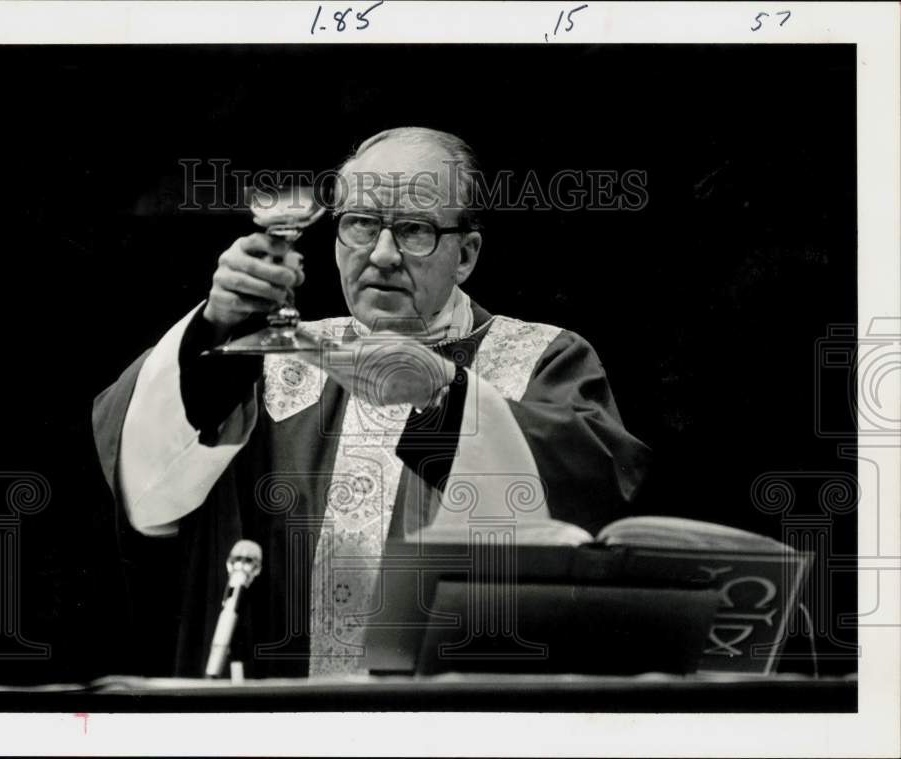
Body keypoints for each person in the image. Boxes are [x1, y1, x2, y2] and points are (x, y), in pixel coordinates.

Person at [93, 127, 650, 679]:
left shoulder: (540, 359)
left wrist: (445, 397)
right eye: (361, 224)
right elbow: (149, 488)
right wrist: (215, 325)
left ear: (466, 255)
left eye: (414, 229)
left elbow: (590, 502)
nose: (382, 255)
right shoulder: (278, 357)